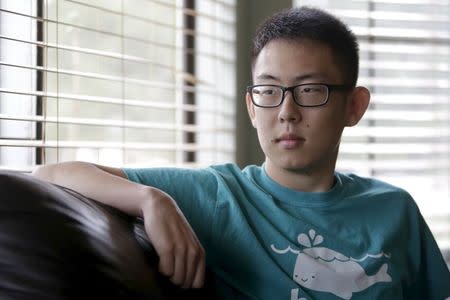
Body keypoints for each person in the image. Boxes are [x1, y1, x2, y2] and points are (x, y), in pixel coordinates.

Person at [32, 6, 450, 300]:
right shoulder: (218, 195)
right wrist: (149, 199)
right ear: (252, 106)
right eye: (269, 91)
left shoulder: (395, 210)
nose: (287, 112)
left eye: (309, 91)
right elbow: (49, 175)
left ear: (353, 106)